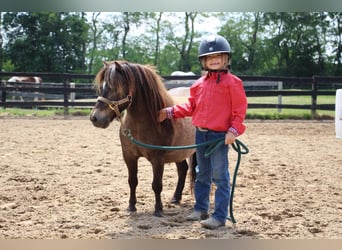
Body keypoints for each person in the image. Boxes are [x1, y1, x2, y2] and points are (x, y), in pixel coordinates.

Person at [159, 34, 247, 229]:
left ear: (226, 58)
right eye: (209, 57)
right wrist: (170, 112)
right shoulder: (198, 84)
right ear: (203, 61)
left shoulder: (233, 83)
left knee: (220, 176)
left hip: (219, 137)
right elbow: (190, 107)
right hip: (201, 134)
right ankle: (200, 208)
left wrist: (233, 130)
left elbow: (240, 111)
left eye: (218, 56)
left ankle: (219, 216)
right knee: (201, 174)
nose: (213, 60)